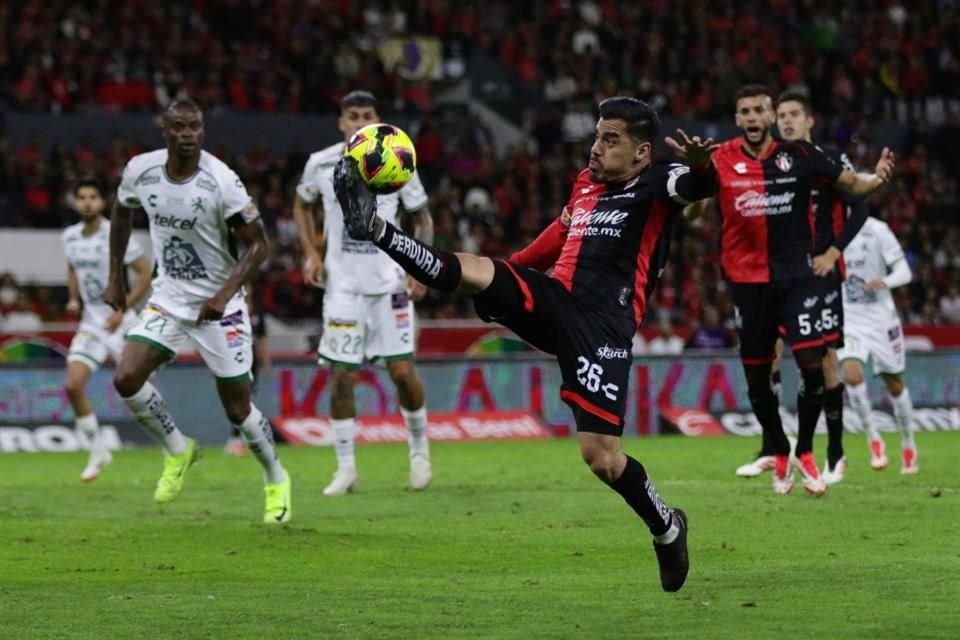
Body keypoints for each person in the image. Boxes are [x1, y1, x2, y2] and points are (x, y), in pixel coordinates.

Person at [334, 96, 717, 592]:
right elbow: (555, 238)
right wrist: (509, 272)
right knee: (475, 270)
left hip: (602, 327)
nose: (596, 148)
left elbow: (697, 186)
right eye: (597, 136)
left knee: (602, 457)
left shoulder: (658, 183)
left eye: (611, 139)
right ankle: (376, 229)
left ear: (642, 152)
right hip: (556, 298)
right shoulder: (584, 186)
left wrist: (704, 168)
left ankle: (667, 527)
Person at [686, 84, 894, 496]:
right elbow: (693, 216)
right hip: (747, 283)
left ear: (770, 115)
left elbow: (853, 186)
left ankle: (808, 452)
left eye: (759, 110)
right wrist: (695, 175)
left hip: (797, 278)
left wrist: (877, 180)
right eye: (743, 110)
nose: (752, 117)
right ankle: (779, 450)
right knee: (759, 380)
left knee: (814, 363)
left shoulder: (799, 156)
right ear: (737, 118)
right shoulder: (720, 158)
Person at [102, 99, 292, 524]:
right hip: (169, 296)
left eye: (195, 127)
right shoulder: (141, 170)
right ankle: (177, 448)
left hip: (218, 307)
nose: (188, 134)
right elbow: (120, 212)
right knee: (127, 377)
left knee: (237, 410)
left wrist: (225, 293)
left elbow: (260, 244)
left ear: (202, 131)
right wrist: (115, 277)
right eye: (179, 127)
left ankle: (276, 478)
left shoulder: (222, 181)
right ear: (165, 131)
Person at [292, 90, 433, 496]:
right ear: (341, 123)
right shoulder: (321, 163)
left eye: (367, 115)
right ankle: (346, 468)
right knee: (342, 377)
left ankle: (420, 453)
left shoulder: (397, 156)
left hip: (389, 284)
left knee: (403, 373)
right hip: (342, 288)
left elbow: (421, 216)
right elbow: (301, 205)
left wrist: (418, 265)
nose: (359, 122)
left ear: (377, 118)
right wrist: (310, 254)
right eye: (352, 116)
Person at [735, 89, 870, 484]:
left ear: (809, 120)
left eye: (796, 115)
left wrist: (833, 251)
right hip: (781, 274)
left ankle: (835, 453)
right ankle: (771, 448)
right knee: (769, 356)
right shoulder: (777, 160)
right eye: (784, 115)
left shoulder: (828, 160)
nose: (788, 121)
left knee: (824, 360)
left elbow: (859, 207)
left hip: (821, 273)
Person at [63, 178, 152, 482]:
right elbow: (73, 268)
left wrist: (124, 308)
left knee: (141, 389)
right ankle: (98, 450)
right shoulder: (70, 237)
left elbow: (144, 274)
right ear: (76, 203)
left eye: (93, 197)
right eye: (82, 197)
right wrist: (74, 298)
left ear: (102, 203)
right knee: (74, 385)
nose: (87, 202)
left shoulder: (117, 233)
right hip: (91, 324)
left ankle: (174, 448)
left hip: (122, 322)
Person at [837, 217, 918, 473]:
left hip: (881, 319)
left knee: (894, 383)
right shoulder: (831, 226)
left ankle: (908, 442)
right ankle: (874, 438)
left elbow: (905, 272)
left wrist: (885, 282)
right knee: (851, 374)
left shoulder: (878, 229)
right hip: (849, 318)